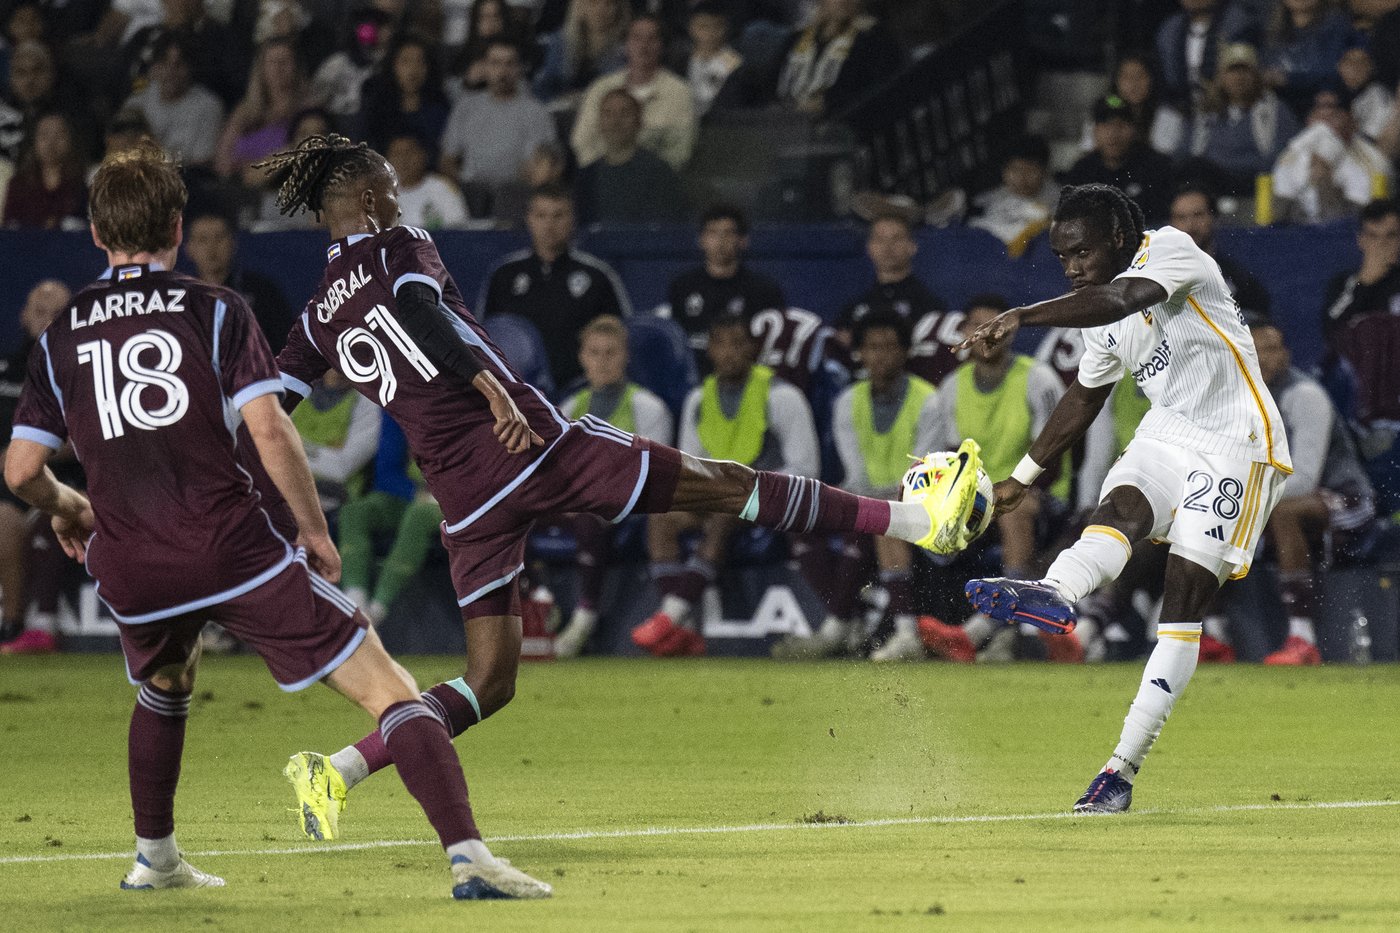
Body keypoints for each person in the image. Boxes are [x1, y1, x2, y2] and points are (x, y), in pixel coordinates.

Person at [251, 134, 964, 830]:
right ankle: (913, 519)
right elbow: (418, 310)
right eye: (396, 191)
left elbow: (266, 414)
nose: (403, 202)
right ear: (372, 197)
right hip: (531, 446)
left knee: (490, 680)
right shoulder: (399, 246)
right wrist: (488, 389)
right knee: (724, 484)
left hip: (466, 500)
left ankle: (337, 768)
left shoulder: (314, 318)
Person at [3, 142, 549, 900]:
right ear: (177, 225)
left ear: (96, 233)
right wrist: (312, 530)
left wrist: (72, 509)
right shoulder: (215, 308)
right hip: (230, 547)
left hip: (131, 561)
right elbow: (267, 426)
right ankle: (470, 858)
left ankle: (155, 856)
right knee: (389, 690)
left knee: (166, 679)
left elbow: (22, 472)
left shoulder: (60, 333)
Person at [959, 182, 1292, 813]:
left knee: (1182, 599)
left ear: (1116, 237)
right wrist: (1021, 479)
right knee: (1118, 511)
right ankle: (1055, 594)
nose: (1072, 267)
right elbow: (1084, 398)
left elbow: (1123, 298)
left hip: (1236, 440)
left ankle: (1120, 771)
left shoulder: (1172, 250)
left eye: (1080, 252)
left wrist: (1021, 317)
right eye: (1061, 259)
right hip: (1167, 430)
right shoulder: (1098, 316)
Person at [632, 311, 819, 656]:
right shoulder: (698, 400)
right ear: (710, 351)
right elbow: (688, 466)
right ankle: (683, 631)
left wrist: (745, 484)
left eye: (738, 343)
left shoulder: (782, 397)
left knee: (724, 514)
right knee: (662, 517)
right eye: (721, 343)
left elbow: (806, 468)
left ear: (753, 349)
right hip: (720, 495)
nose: (729, 352)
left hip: (771, 498)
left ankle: (670, 615)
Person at [917, 296, 1078, 664]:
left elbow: (1051, 457)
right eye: (977, 327)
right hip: (977, 500)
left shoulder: (1037, 379)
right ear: (962, 334)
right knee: (906, 516)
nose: (986, 335)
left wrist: (1007, 490)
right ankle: (903, 630)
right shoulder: (951, 388)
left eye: (995, 327)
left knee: (1014, 512)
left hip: (1039, 495)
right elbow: (943, 457)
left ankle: (991, 632)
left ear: (1010, 331)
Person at [776, 312, 939, 660]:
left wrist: (877, 502)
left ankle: (900, 633)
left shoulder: (929, 399)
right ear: (859, 353)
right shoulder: (848, 402)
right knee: (798, 518)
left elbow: (925, 472)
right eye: (871, 347)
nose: (879, 356)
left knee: (883, 522)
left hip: (918, 505)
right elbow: (854, 474)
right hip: (866, 498)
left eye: (888, 347)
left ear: (905, 352)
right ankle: (844, 622)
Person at [1249, 320, 1374, 666]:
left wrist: (1245, 505)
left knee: (1283, 511)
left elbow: (1304, 479)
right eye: (1254, 350)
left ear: (1286, 355)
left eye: (1271, 349)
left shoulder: (1304, 395)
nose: (1262, 358)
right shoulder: (1240, 401)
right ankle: (1211, 635)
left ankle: (1303, 640)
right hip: (1280, 503)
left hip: (1349, 500)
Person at [554, 315, 674, 656]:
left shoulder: (648, 408)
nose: (602, 361)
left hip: (626, 504)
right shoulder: (568, 408)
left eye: (610, 353)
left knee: (590, 513)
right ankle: (532, 602)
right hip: (575, 501)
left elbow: (652, 475)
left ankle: (585, 617)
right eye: (594, 353)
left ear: (625, 357)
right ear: (582, 357)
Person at [479, 183, 631, 387]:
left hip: (580, 392)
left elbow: (619, 336)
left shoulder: (597, 276)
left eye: (558, 216)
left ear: (572, 220)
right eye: (541, 216)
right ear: (529, 219)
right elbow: (482, 337)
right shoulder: (504, 275)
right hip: (518, 393)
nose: (549, 225)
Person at [0, 279, 70, 652]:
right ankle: (13, 624)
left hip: (69, 478)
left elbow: (89, 439)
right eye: (40, 312)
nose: (47, 321)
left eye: (57, 314)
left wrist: (33, 453)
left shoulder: (84, 366)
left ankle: (27, 626)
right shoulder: (7, 369)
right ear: (24, 316)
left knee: (12, 520)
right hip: (10, 478)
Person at [1322, 198, 1400, 511]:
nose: (1382, 245)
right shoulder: (1344, 283)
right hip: (1356, 395)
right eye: (1373, 236)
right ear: (1360, 240)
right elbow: (1331, 332)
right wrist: (1366, 280)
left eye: (1391, 236)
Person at [338, 413, 440, 625]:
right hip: (406, 496)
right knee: (354, 512)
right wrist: (415, 493)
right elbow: (387, 472)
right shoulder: (396, 406)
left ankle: (376, 610)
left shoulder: (463, 406)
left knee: (419, 515)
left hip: (454, 501)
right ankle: (355, 602)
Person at [440, 38, 556, 218]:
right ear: (485, 67)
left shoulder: (536, 111)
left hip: (516, 193)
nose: (503, 71)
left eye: (510, 64)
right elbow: (448, 160)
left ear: (519, 69)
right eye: (495, 63)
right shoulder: (466, 107)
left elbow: (540, 165)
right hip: (470, 193)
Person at [835, 213, 955, 387]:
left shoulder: (929, 304)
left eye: (896, 239)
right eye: (880, 239)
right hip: (863, 393)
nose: (888, 247)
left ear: (912, 246)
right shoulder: (854, 306)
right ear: (869, 248)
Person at [570, 14, 696, 171]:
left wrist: (641, 175)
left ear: (662, 46)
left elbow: (679, 151)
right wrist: (604, 172)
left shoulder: (679, 92)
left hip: (652, 182)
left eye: (652, 39)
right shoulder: (601, 87)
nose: (644, 46)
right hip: (601, 178)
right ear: (626, 44)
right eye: (637, 38)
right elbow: (582, 140)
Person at [664, 203, 785, 364]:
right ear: (701, 240)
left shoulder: (763, 290)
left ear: (743, 241)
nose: (720, 241)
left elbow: (773, 347)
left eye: (728, 233)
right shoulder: (682, 286)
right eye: (713, 233)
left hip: (745, 376)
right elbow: (675, 341)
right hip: (695, 379)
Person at [1180, 42, 1298, 197]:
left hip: (1252, 187)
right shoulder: (1204, 115)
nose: (1239, 77)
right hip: (1206, 188)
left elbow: (1280, 160)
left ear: (1257, 75)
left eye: (1245, 70)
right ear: (1221, 77)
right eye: (1232, 71)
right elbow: (1183, 154)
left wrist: (1221, 168)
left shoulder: (1276, 111)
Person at [1271, 89, 1392, 224]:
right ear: (1309, 120)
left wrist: (1325, 183)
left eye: (1334, 116)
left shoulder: (1371, 159)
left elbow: (1360, 223)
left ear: (1352, 122)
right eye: (1319, 116)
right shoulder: (1290, 156)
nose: (1324, 124)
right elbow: (1279, 216)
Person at [183, 211, 296, 353]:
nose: (211, 247)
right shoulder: (179, 296)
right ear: (188, 248)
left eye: (219, 238)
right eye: (203, 240)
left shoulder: (261, 291)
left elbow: (287, 343)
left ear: (233, 243)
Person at [574, 87, 689, 224]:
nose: (616, 122)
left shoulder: (658, 173)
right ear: (599, 123)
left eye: (625, 113)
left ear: (639, 122)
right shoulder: (587, 177)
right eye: (608, 114)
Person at [775, 0, 902, 118]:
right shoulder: (796, 39)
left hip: (842, 128)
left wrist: (828, 103)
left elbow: (877, 94)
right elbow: (773, 86)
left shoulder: (874, 40)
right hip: (787, 124)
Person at [1063, 95, 1178, 224]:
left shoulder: (1156, 167)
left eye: (1121, 125)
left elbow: (1163, 221)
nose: (1113, 134)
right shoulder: (1082, 171)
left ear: (1134, 130)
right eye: (1106, 126)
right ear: (1095, 131)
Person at [123, 32, 225, 168]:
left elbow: (201, 162)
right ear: (154, 67)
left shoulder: (208, 106)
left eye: (179, 64)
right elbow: (119, 145)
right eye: (164, 62)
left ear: (191, 68)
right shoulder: (140, 100)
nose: (171, 72)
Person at [1167, 185, 1271, 316]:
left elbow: (1260, 325)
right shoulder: (1156, 275)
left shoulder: (1238, 279)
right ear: (1171, 224)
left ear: (1214, 218)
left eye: (1198, 215)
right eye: (1181, 218)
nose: (1190, 225)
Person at [968, 134, 1060, 257]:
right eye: (1015, 170)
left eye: (1030, 170)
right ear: (1004, 172)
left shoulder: (1061, 200)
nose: (1022, 178)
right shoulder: (990, 199)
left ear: (1044, 171)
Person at [359, 35, 451, 157]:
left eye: (420, 61)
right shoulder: (377, 109)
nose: (413, 70)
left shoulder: (439, 111)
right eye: (405, 61)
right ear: (393, 65)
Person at [1154, 0, 1259, 106]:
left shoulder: (1237, 21)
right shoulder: (1169, 30)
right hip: (1182, 109)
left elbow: (1245, 71)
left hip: (1229, 108)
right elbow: (1167, 80)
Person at [1079, 53, 1186, 157]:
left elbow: (1162, 159)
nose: (1133, 84)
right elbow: (1088, 153)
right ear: (1116, 81)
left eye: (1140, 76)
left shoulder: (1168, 116)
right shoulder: (1101, 112)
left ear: (1152, 80)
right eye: (1126, 77)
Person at [2, 110, 86, 230]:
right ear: (34, 141)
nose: (51, 143)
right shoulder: (19, 184)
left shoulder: (82, 181)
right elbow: (10, 226)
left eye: (59, 135)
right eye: (44, 135)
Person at [534, 0, 630, 102]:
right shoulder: (561, 42)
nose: (601, 9)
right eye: (593, 3)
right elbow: (544, 86)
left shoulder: (626, 47)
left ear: (619, 9)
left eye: (609, 3)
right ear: (579, 6)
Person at [385, 133, 469, 229]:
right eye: (397, 154)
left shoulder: (443, 188)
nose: (403, 160)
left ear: (423, 155)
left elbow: (458, 230)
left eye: (409, 152)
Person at [685, 2, 741, 117]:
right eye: (703, 27)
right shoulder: (680, 60)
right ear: (691, 27)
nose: (710, 33)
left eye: (718, 26)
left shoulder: (734, 63)